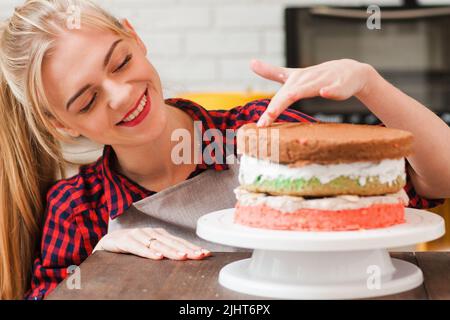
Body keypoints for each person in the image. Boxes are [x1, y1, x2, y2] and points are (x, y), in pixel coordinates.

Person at [0, 0, 447, 300]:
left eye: (121, 62)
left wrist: (368, 82)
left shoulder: (263, 131)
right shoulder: (77, 210)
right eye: (87, 100)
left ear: (136, 38)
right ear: (59, 123)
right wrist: (100, 259)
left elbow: (434, 183)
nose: (120, 94)